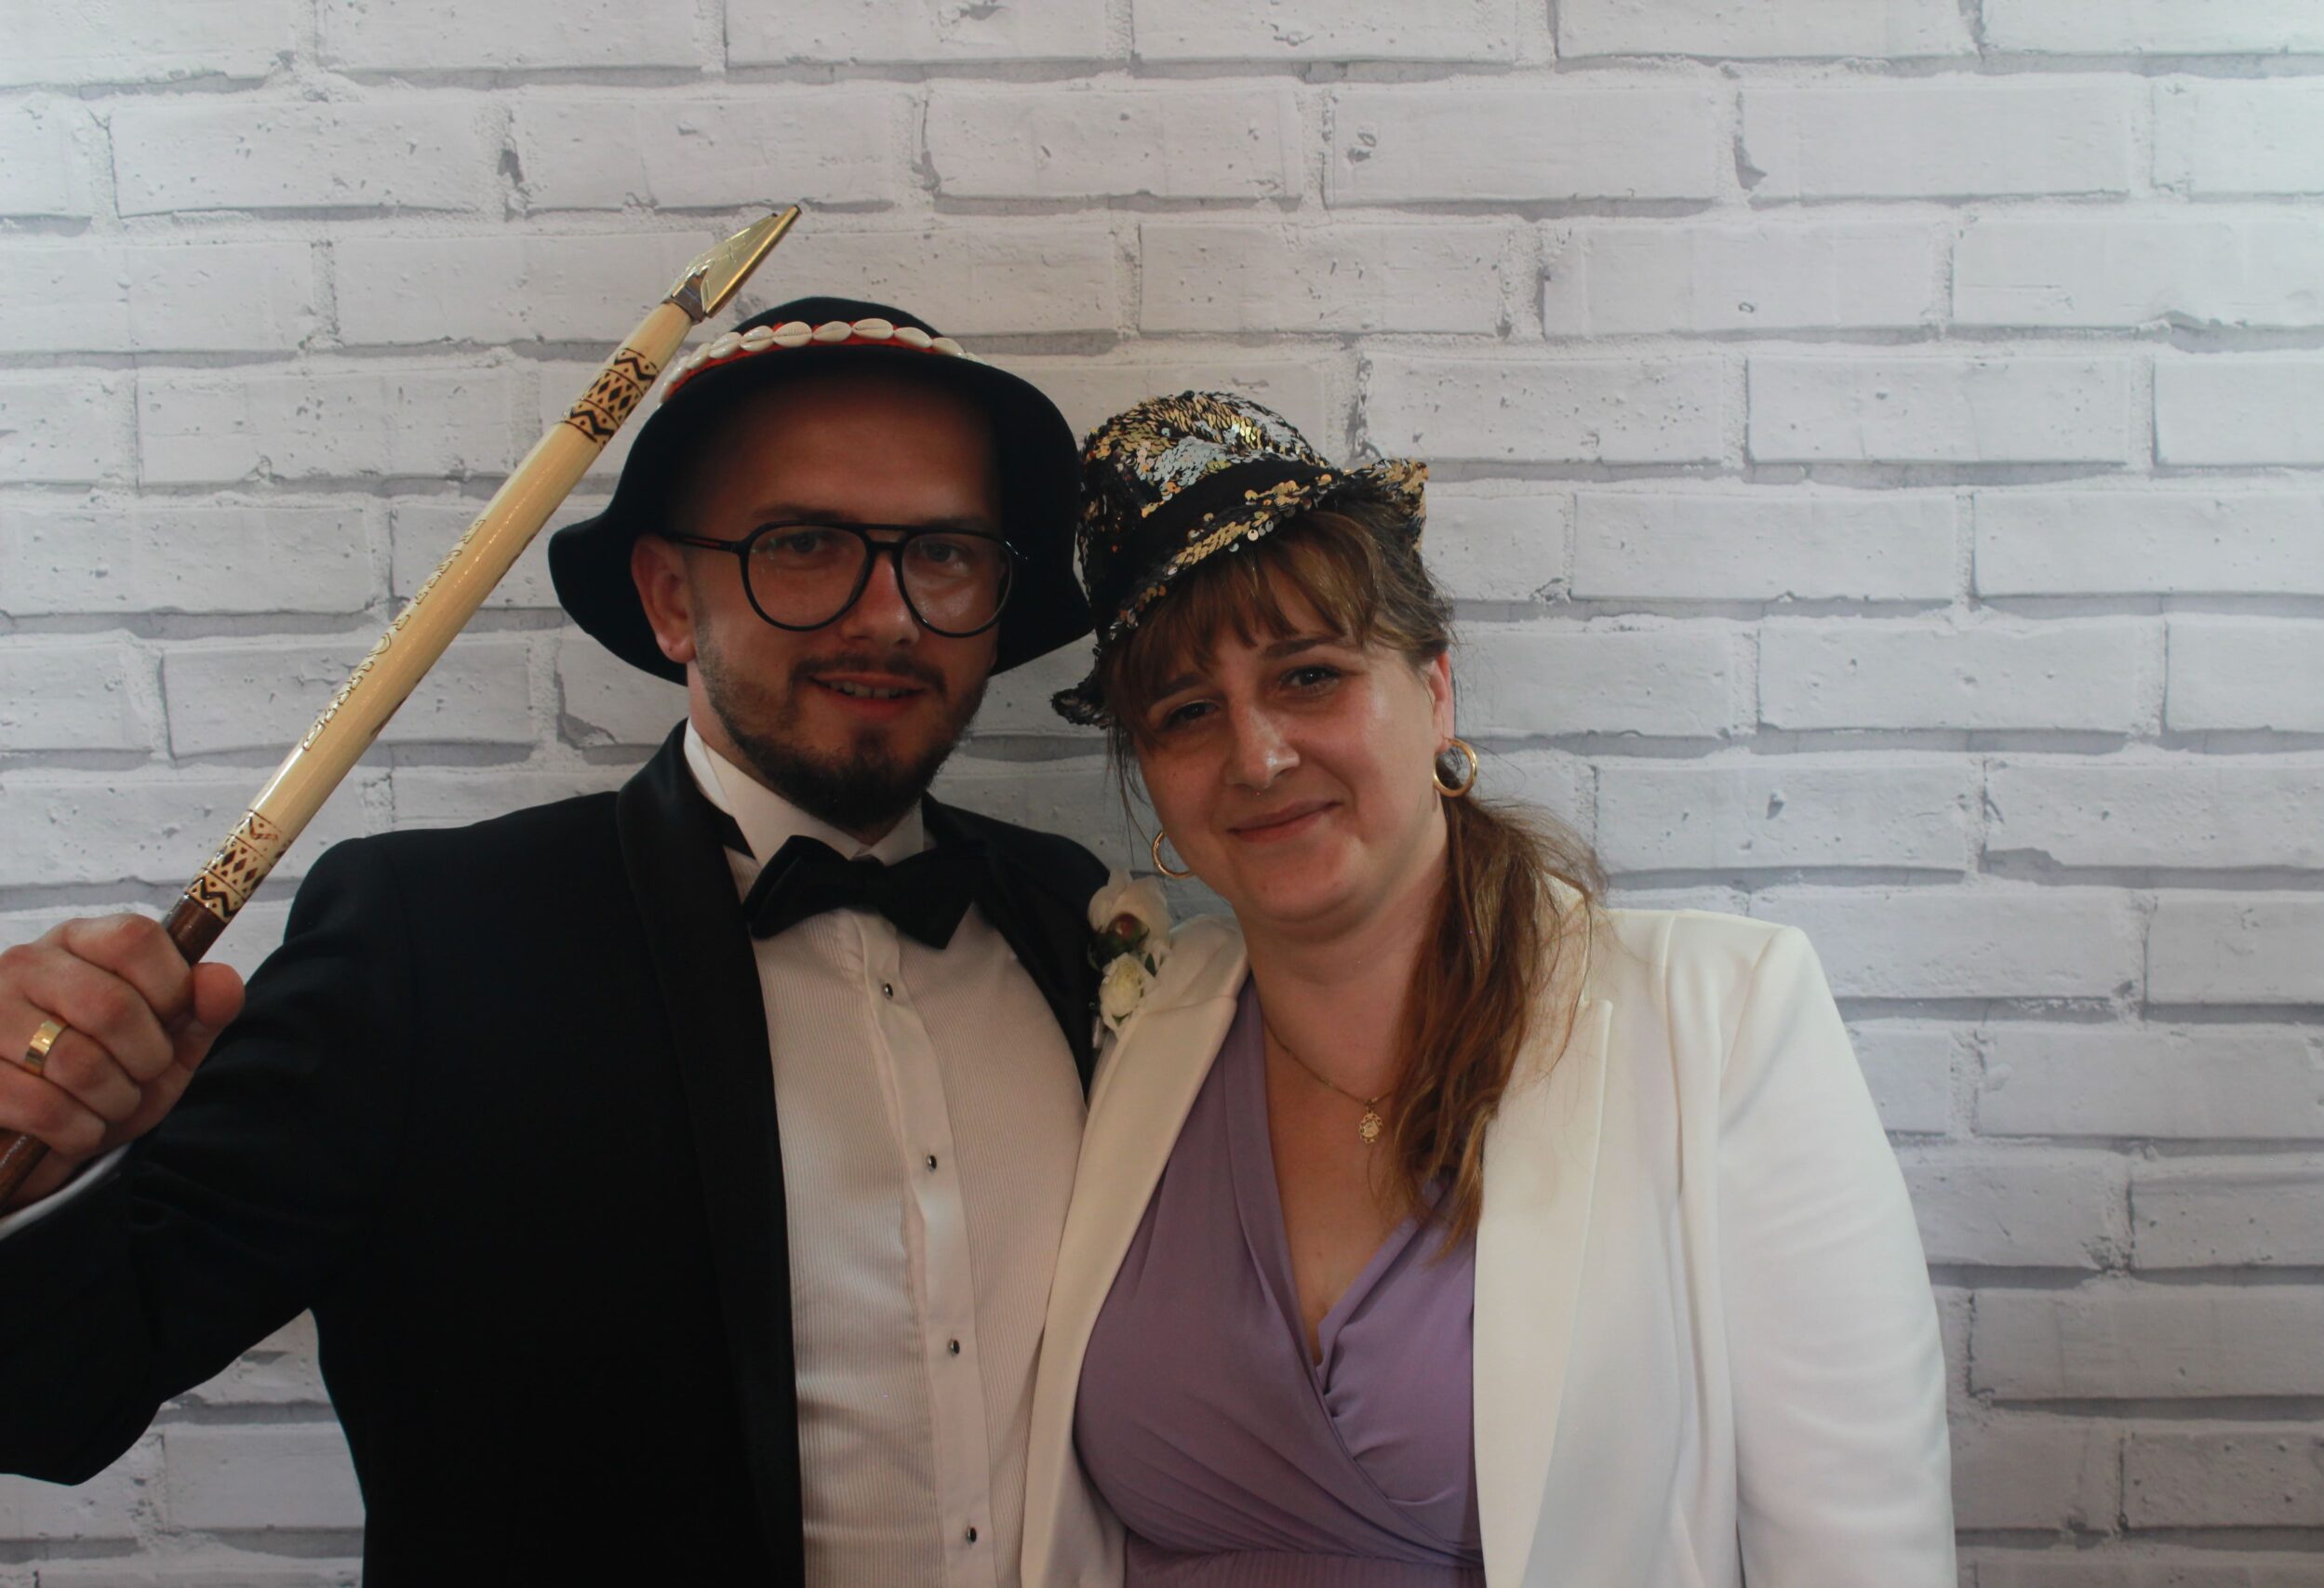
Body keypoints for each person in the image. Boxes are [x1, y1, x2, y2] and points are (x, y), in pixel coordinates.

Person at [0, 297, 1112, 1586]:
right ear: (670, 598)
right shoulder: (428, 945)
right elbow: (46, 1389)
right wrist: (26, 1145)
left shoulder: (1070, 915)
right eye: (805, 544)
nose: (890, 615)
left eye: (945, 552)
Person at [1016, 394, 1957, 1587]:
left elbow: (1858, 1549)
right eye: (1187, 713)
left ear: (1435, 691)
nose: (1256, 756)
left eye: (1309, 677)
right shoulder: (1139, 1036)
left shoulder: (1723, 1022)